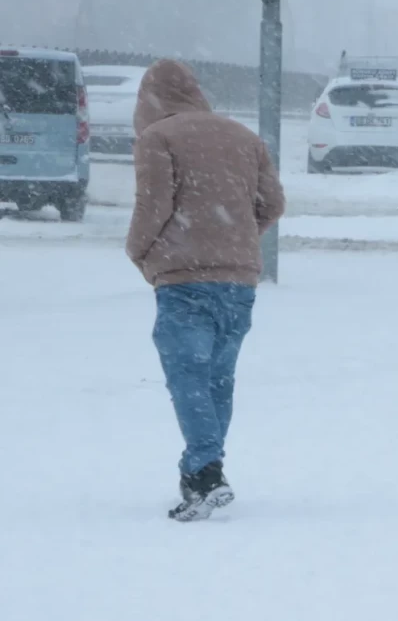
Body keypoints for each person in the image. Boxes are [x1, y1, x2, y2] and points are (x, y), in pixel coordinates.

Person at [126, 59, 286, 522]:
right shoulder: (243, 137)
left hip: (183, 278)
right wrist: (236, 240)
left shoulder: (158, 138)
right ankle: (201, 470)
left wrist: (139, 252)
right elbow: (273, 203)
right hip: (239, 279)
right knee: (217, 378)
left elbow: (153, 205)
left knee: (187, 375)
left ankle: (205, 472)